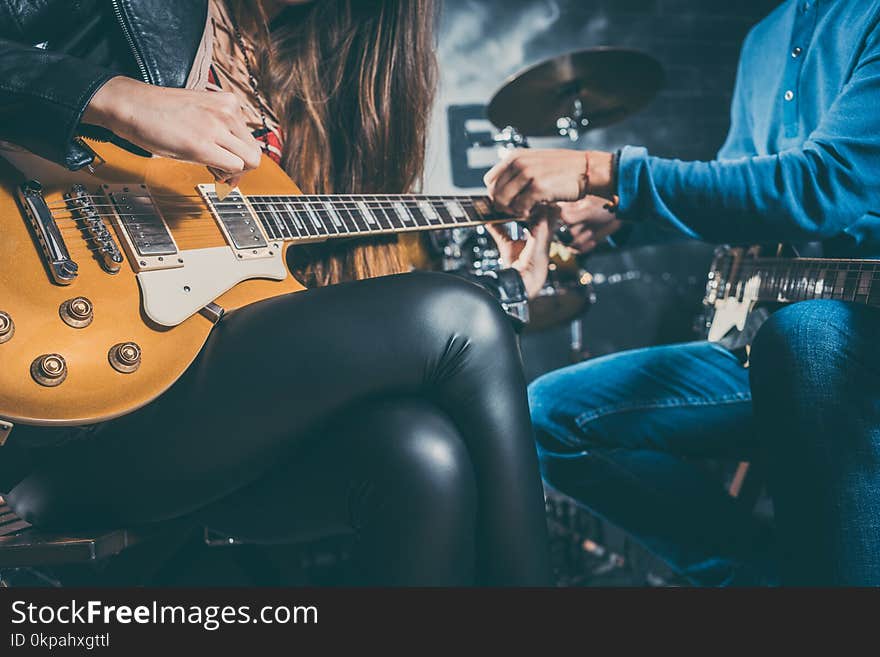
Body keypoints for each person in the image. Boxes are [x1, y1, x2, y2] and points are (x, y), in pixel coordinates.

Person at [0, 0, 554, 586]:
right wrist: (110, 96)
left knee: (421, 455)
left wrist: (509, 283)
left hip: (197, 412)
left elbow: (338, 321)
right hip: (65, 421)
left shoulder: (306, 67)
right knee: (459, 314)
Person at [485, 0, 880, 586]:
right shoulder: (765, 37)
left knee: (804, 338)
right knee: (551, 416)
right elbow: (742, 188)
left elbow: (828, 184)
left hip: (850, 341)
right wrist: (620, 217)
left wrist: (605, 172)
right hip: (767, 347)